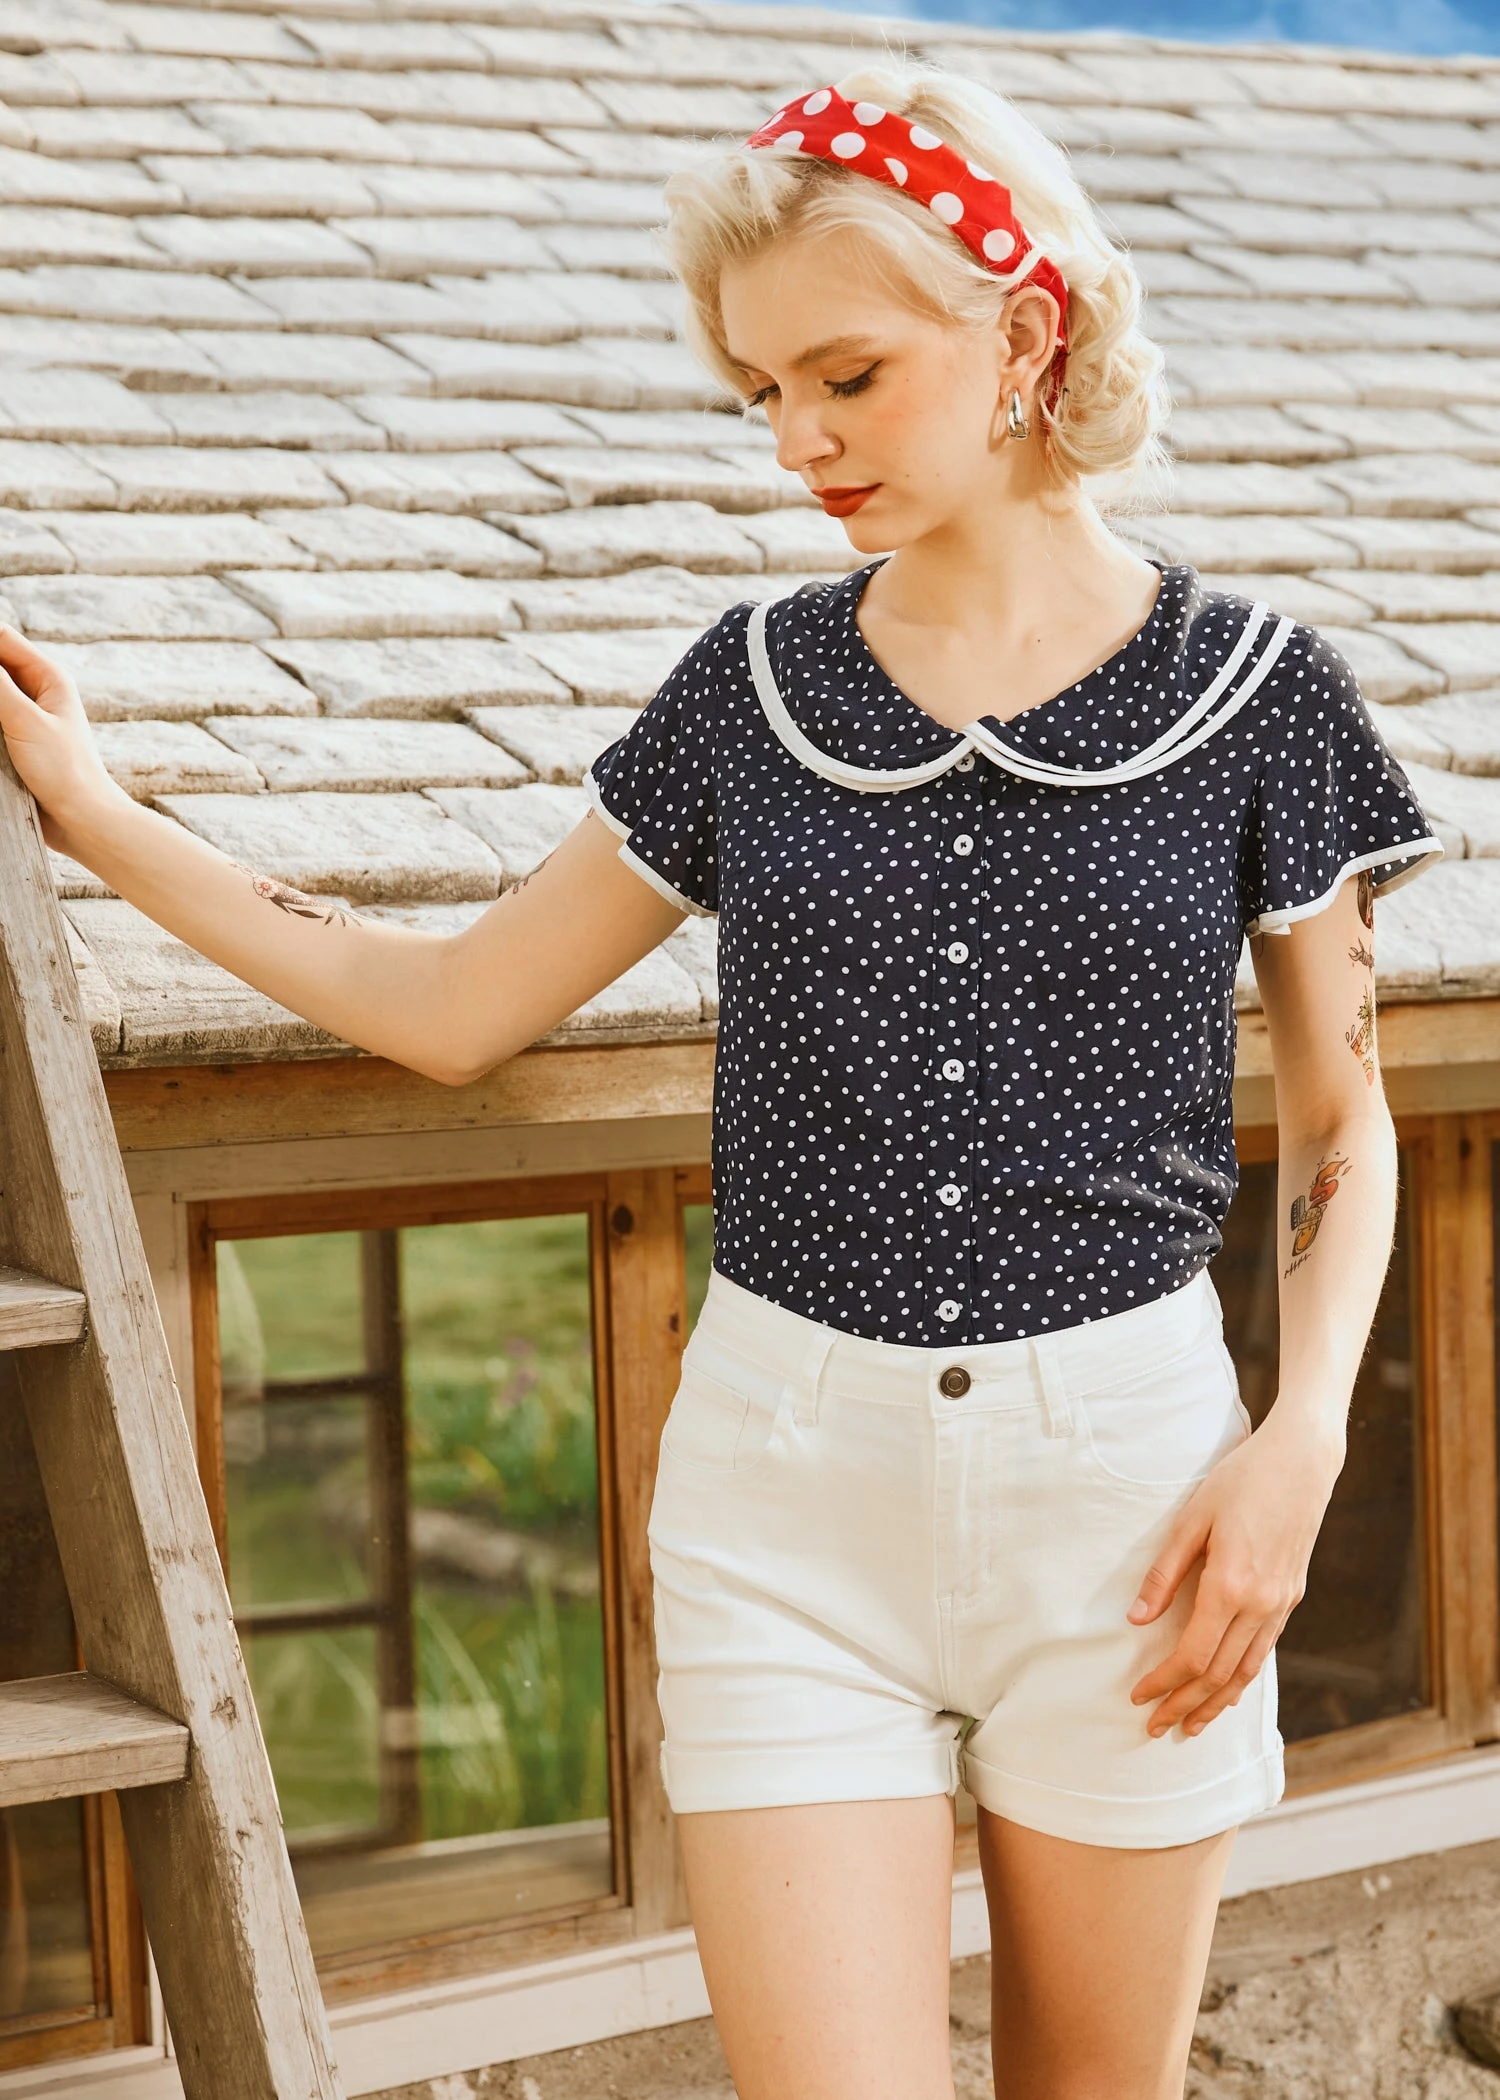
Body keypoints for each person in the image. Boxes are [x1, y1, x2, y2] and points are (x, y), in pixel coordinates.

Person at [0, 61, 1441, 2100]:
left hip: (1135, 1499)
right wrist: (101, 815)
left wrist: (1302, 1448)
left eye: (846, 376)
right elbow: (452, 1003)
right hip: (788, 1500)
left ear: (1026, 334)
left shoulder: (1264, 698)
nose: (795, 441)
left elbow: (1343, 1125)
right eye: (759, 390)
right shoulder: (746, 692)